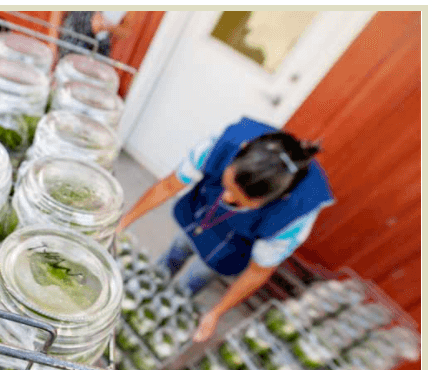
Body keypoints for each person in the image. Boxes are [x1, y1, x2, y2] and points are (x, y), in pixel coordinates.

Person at [117, 117, 333, 343]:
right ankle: (152, 282)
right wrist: (123, 222)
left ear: (278, 198)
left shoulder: (295, 213)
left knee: (195, 277)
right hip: (200, 216)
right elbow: (170, 185)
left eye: (241, 202)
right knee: (178, 249)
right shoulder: (226, 143)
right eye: (227, 186)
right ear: (242, 150)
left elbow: (259, 271)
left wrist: (215, 313)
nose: (227, 198)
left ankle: (170, 305)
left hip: (231, 245)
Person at [58, 11, 131, 58]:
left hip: (100, 40)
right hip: (79, 30)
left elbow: (126, 33)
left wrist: (111, 27)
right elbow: (96, 23)